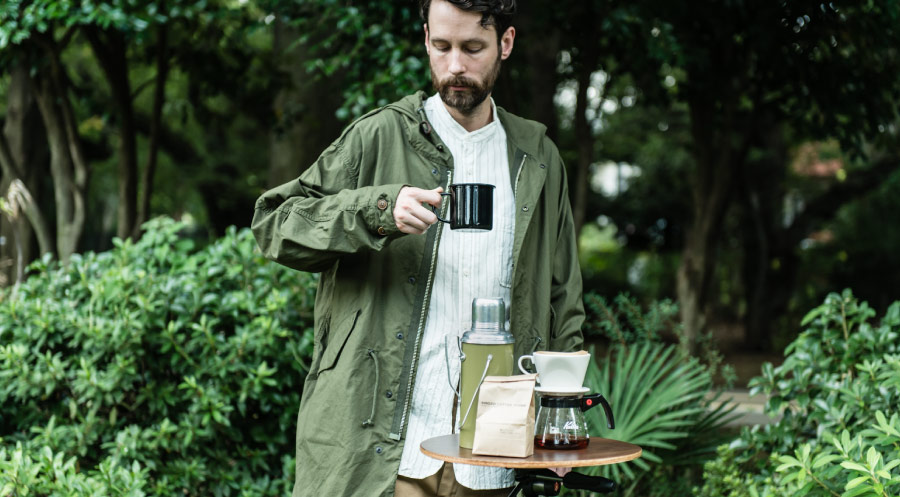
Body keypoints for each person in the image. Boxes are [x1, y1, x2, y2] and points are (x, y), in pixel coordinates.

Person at [251, 0, 584, 495]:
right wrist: (378, 210)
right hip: (390, 453)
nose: (455, 66)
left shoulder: (537, 158)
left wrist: (562, 415)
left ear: (505, 43)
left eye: (473, 48)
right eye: (441, 46)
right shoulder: (378, 136)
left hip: (498, 455)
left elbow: (563, 298)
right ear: (426, 38)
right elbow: (274, 224)